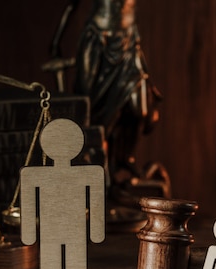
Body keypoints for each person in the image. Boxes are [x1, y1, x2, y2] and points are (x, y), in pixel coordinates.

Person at [49, 0, 163, 185]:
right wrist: (56, 42)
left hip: (128, 42)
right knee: (98, 118)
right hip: (98, 43)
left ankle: (125, 159)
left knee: (139, 110)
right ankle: (104, 176)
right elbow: (72, 4)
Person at [20, 118, 105, 269]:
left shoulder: (91, 173)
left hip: (68, 233)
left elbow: (96, 203)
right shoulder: (33, 175)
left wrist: (29, 234)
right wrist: (96, 232)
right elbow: (29, 204)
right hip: (57, 233)